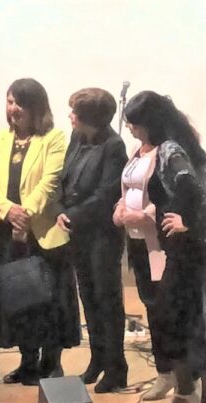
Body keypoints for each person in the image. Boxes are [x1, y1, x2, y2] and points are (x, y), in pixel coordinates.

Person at [0, 78, 80, 385]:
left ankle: (51, 362)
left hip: (43, 233)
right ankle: (27, 361)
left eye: (20, 103)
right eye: (10, 101)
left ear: (36, 106)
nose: (13, 108)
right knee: (19, 299)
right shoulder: (0, 139)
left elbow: (50, 183)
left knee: (49, 300)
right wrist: (7, 210)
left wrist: (24, 214)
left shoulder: (53, 138)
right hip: (6, 232)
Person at [114, 91, 206, 403]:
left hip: (172, 248)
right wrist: (121, 208)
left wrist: (184, 221)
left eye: (134, 122)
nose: (130, 127)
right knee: (163, 316)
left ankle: (187, 388)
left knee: (178, 319)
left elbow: (190, 187)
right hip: (146, 245)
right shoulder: (142, 150)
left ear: (150, 122)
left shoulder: (169, 150)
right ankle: (176, 382)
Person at [53, 88, 129, 392]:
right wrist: (60, 210)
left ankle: (116, 367)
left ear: (91, 118)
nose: (70, 116)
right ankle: (98, 359)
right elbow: (64, 179)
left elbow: (106, 193)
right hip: (78, 232)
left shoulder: (114, 146)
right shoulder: (77, 138)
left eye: (75, 112)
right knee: (88, 298)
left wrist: (72, 214)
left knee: (107, 300)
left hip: (102, 234)